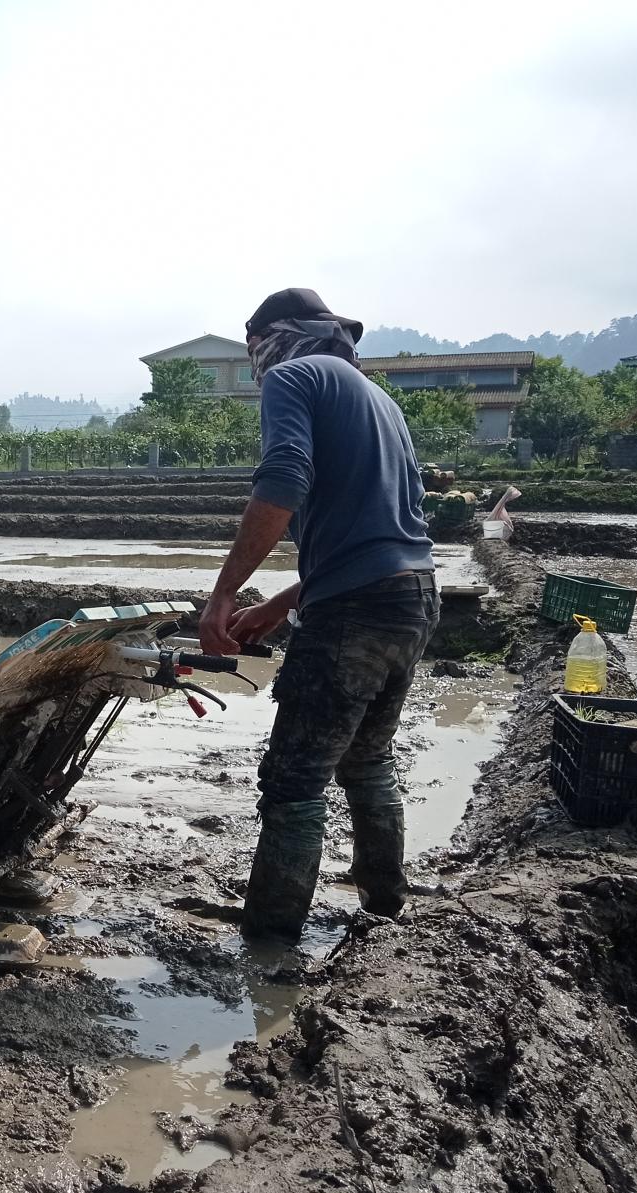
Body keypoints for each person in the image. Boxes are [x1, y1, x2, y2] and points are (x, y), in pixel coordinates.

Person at [198, 288, 437, 940]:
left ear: (279, 339)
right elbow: (383, 532)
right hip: (411, 598)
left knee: (294, 779)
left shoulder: (296, 377)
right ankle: (385, 906)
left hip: (354, 613)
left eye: (255, 356)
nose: (257, 371)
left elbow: (283, 477)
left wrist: (224, 594)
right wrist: (279, 602)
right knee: (368, 760)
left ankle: (271, 944)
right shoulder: (378, 399)